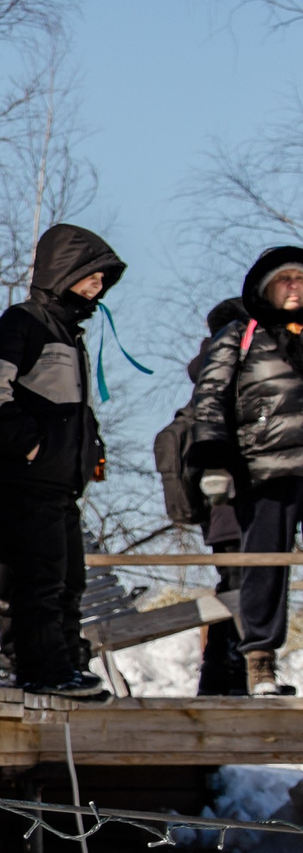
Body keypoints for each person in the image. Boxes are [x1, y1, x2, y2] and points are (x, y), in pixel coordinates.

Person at [0, 224, 128, 701]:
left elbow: (71, 409)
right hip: (22, 482)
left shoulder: (70, 335)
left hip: (60, 485)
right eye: (90, 276)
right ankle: (42, 670)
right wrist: (30, 446)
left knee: (69, 578)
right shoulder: (24, 322)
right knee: (37, 579)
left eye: (102, 281)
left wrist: (88, 454)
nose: (97, 287)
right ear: (63, 272)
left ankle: (66, 662)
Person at [185, 247, 303, 696]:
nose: (293, 287)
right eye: (284, 279)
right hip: (266, 469)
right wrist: (214, 459)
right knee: (263, 566)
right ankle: (260, 663)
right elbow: (210, 399)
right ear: (266, 287)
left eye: (300, 279)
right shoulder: (241, 333)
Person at [188, 294, 261, 694]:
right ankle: (226, 677)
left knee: (239, 583)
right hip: (233, 501)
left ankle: (226, 677)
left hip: (224, 505)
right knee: (241, 584)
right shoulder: (230, 372)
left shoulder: (213, 373)